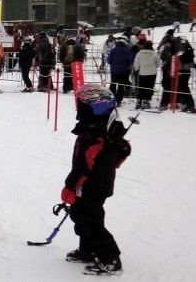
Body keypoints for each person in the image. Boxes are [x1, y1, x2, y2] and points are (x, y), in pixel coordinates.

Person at [61, 85, 130, 276]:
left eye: (81, 105)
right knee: (82, 216)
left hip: (91, 186)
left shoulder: (92, 135)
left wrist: (70, 187)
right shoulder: (106, 129)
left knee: (89, 220)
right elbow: (124, 150)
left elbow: (82, 165)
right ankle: (88, 250)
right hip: (99, 184)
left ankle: (110, 258)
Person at [132, 42, 160, 110]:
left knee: (141, 86)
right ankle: (147, 100)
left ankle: (139, 100)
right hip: (152, 73)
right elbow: (158, 63)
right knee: (150, 87)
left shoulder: (139, 53)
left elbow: (136, 62)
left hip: (142, 73)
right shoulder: (155, 53)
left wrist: (137, 69)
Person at [107, 37, 134, 106]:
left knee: (113, 85)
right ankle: (119, 100)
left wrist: (113, 64)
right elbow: (130, 60)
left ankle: (112, 98)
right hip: (123, 71)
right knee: (121, 86)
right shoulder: (127, 51)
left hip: (114, 71)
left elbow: (109, 60)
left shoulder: (113, 50)